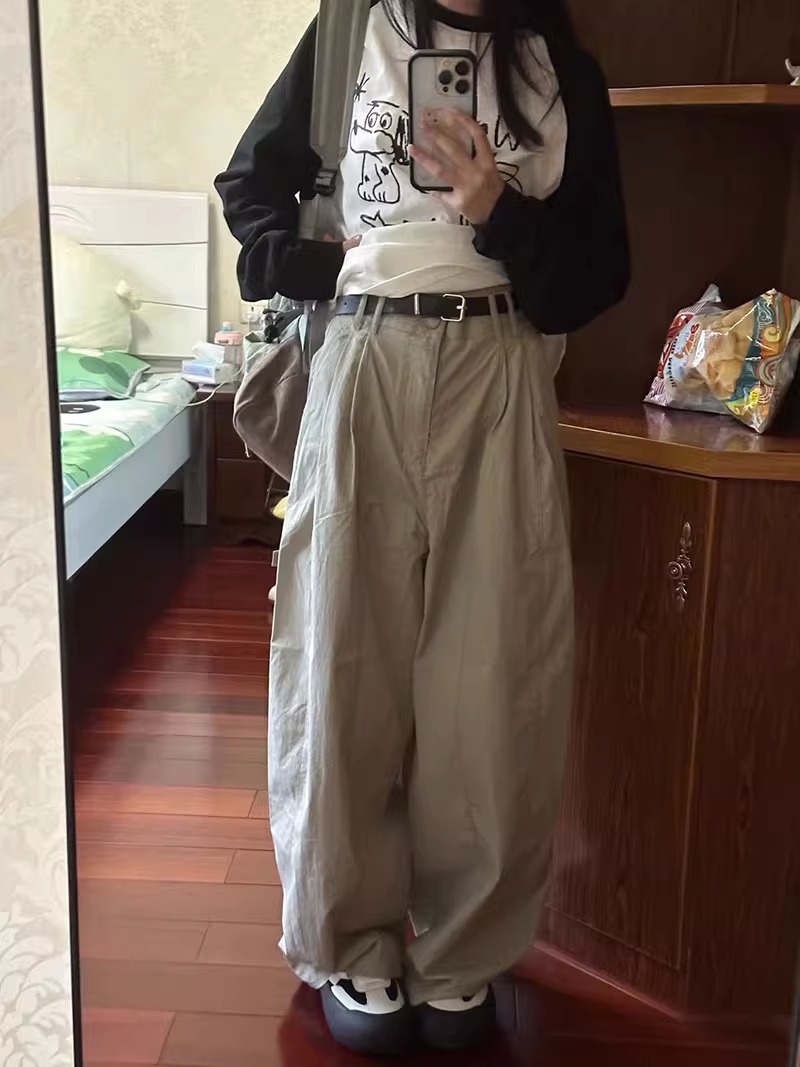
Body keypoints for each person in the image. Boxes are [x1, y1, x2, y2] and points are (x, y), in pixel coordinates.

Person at [216, 0, 629, 1056]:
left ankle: (461, 953)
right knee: (341, 657)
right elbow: (249, 185)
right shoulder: (349, 32)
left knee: (491, 675)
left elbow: (597, 273)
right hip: (365, 357)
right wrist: (311, 264)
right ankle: (350, 941)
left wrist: (494, 205)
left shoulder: (557, 69)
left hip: (501, 364)